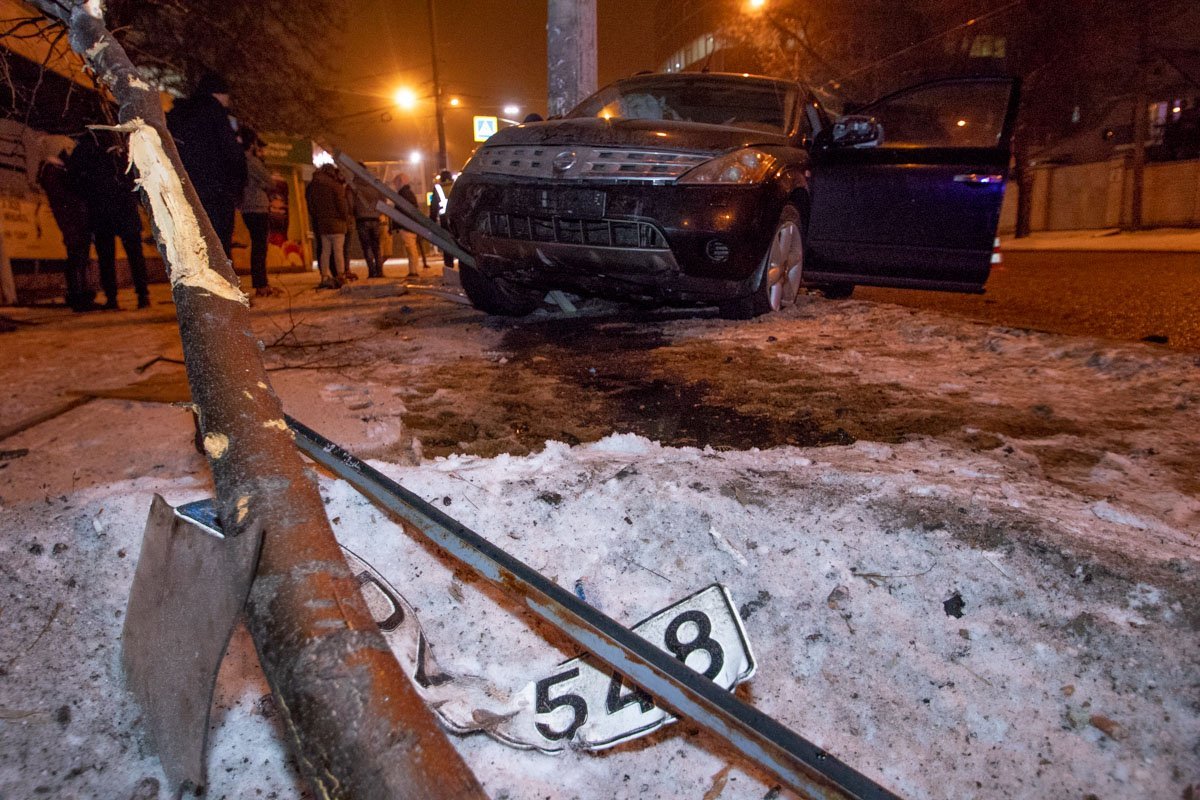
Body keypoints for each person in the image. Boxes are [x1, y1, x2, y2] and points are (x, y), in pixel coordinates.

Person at [166, 71, 247, 257]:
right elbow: (232, 154)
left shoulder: (178, 114)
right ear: (218, 93)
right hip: (215, 193)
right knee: (218, 248)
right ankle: (219, 285)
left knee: (193, 250)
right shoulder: (215, 113)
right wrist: (238, 186)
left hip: (184, 192)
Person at [68, 129, 150, 310]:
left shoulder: (84, 148)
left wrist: (88, 194)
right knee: (134, 253)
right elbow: (136, 174)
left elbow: (72, 179)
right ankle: (142, 295)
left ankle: (112, 297)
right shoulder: (120, 145)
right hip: (124, 205)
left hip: (100, 208)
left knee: (106, 255)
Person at [37, 138, 95, 312]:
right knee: (76, 256)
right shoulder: (53, 171)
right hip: (71, 220)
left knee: (79, 256)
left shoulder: (58, 171)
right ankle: (78, 295)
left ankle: (81, 293)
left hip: (73, 219)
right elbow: (64, 198)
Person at [238, 129, 278, 297]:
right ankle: (261, 284)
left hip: (246, 207)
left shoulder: (237, 160)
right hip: (257, 206)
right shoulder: (251, 161)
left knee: (257, 246)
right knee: (260, 247)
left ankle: (260, 282)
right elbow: (269, 181)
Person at [305, 164, 350, 289]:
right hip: (337, 223)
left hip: (322, 223)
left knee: (325, 251)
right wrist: (345, 217)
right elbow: (342, 206)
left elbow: (311, 206)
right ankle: (340, 274)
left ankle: (324, 275)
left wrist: (318, 217)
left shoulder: (313, 186)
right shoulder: (336, 186)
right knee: (338, 251)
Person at [349, 176, 385, 278]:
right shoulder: (374, 184)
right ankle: (380, 271)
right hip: (375, 218)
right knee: (376, 247)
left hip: (362, 219)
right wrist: (377, 212)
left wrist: (354, 213)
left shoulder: (354, 186)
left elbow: (351, 204)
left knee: (367, 247)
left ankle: (372, 271)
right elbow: (383, 200)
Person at [391, 173, 425, 276]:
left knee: (411, 249)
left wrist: (398, 224)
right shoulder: (409, 193)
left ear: (400, 182)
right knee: (412, 249)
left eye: (396, 183)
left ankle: (413, 271)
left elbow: (401, 211)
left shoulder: (403, 194)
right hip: (410, 225)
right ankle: (413, 270)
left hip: (407, 225)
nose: (395, 186)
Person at [430, 169, 455, 271]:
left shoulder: (438, 188)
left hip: (444, 220)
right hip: (457, 219)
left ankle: (449, 266)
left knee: (447, 244)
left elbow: (434, 207)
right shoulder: (456, 185)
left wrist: (432, 221)